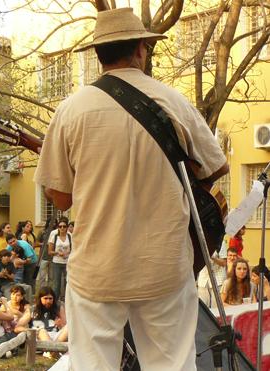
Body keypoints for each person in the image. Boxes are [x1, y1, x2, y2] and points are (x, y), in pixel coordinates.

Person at [33, 8, 229, 370]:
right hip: (164, 264)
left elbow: (60, 197)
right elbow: (217, 167)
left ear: (98, 55)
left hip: (98, 267)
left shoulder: (71, 109)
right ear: (141, 48)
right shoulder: (173, 102)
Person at [48, 217, 71, 299]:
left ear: (67, 227)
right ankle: (55, 300)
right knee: (56, 283)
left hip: (67, 262)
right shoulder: (54, 236)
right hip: (56, 262)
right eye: (60, 226)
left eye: (64, 226)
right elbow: (49, 251)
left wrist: (68, 252)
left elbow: (73, 249)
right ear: (58, 227)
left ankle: (66, 300)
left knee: (67, 282)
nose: (62, 228)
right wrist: (58, 253)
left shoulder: (70, 236)